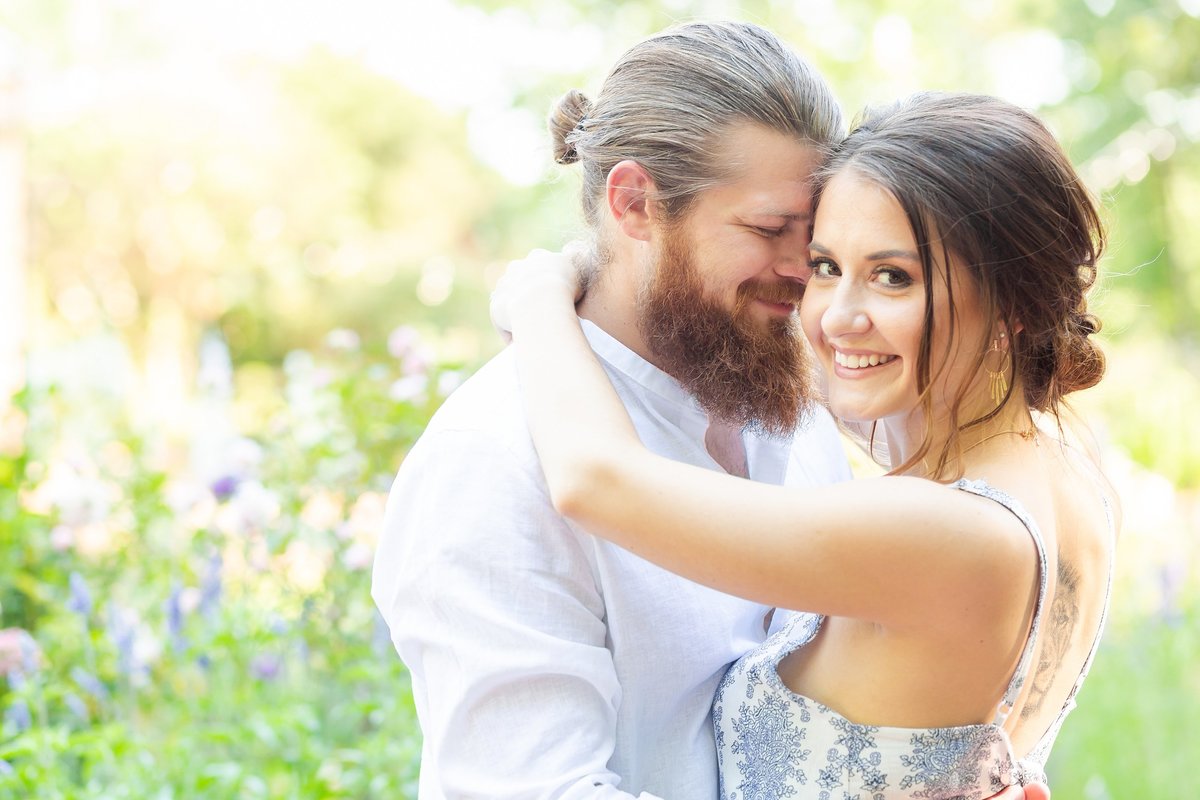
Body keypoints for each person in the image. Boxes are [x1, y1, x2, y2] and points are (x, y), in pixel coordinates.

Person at [491, 92, 1112, 799]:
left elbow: (595, 481)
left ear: (1015, 302)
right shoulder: (1071, 479)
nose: (836, 317)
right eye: (824, 266)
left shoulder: (937, 531)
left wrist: (538, 299)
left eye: (893, 276)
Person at [372, 21, 854, 799]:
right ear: (634, 203)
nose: (806, 270)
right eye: (769, 229)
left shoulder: (796, 422)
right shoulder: (494, 457)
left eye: (818, 235)